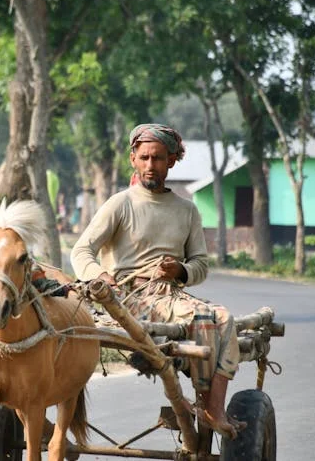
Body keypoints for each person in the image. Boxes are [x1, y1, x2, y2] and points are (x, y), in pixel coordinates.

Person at [70, 123, 246, 439]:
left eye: (159, 158)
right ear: (134, 159)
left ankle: (213, 408)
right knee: (205, 319)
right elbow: (82, 250)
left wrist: (179, 271)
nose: (151, 165)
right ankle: (207, 406)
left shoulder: (187, 210)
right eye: (145, 158)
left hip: (171, 296)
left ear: (172, 161)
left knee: (226, 319)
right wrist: (101, 277)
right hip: (127, 297)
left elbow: (201, 265)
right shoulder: (120, 203)